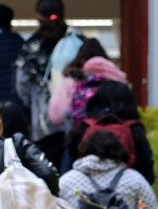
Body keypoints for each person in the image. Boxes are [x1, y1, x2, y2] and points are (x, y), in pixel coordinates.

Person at [48, 38, 128, 173]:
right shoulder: (117, 81)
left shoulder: (73, 80)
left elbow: (56, 115)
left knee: (66, 184)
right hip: (116, 141)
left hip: (79, 141)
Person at [14, 0, 69, 167]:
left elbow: (21, 83)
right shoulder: (75, 41)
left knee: (47, 174)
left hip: (43, 121)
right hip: (73, 121)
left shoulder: (32, 45)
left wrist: (32, 101)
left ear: (38, 15)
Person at [65, 79, 156, 184]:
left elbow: (68, 168)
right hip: (125, 192)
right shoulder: (134, 129)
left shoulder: (83, 128)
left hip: (83, 192)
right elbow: (148, 175)